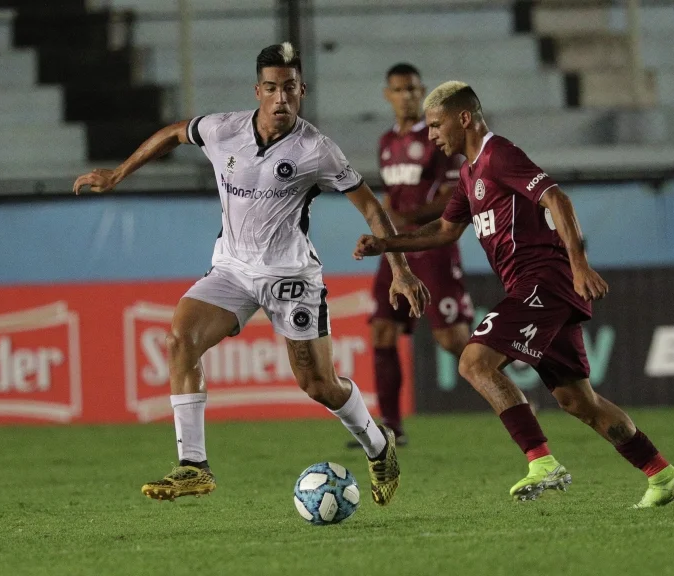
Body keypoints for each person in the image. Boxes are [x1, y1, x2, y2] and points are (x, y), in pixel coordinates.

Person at [73, 43, 430, 506]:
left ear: (303, 90)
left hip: (291, 278)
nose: (281, 98)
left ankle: (378, 445)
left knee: (317, 384)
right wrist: (119, 174)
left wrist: (398, 269)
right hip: (233, 271)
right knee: (181, 339)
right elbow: (174, 133)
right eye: (272, 88)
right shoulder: (224, 129)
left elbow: (372, 208)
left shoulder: (316, 149)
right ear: (257, 91)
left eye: (290, 88)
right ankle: (194, 466)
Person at [354, 81, 674, 507]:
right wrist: (387, 244)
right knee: (577, 399)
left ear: (464, 118)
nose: (432, 134)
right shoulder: (470, 173)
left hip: (544, 280)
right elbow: (443, 230)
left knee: (474, 362)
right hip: (536, 286)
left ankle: (541, 461)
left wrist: (579, 263)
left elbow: (557, 198)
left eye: (437, 125)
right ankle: (663, 475)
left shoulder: (498, 154)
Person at [348, 63, 472, 449]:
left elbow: (452, 197)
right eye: (400, 90)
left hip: (430, 246)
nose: (408, 96)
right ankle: (390, 427)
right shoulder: (386, 141)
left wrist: (402, 219)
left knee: (451, 339)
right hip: (396, 250)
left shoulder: (438, 137)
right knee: (381, 331)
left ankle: (516, 398)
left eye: (414, 89)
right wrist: (387, 225)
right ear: (388, 94)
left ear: (423, 94)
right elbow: (389, 198)